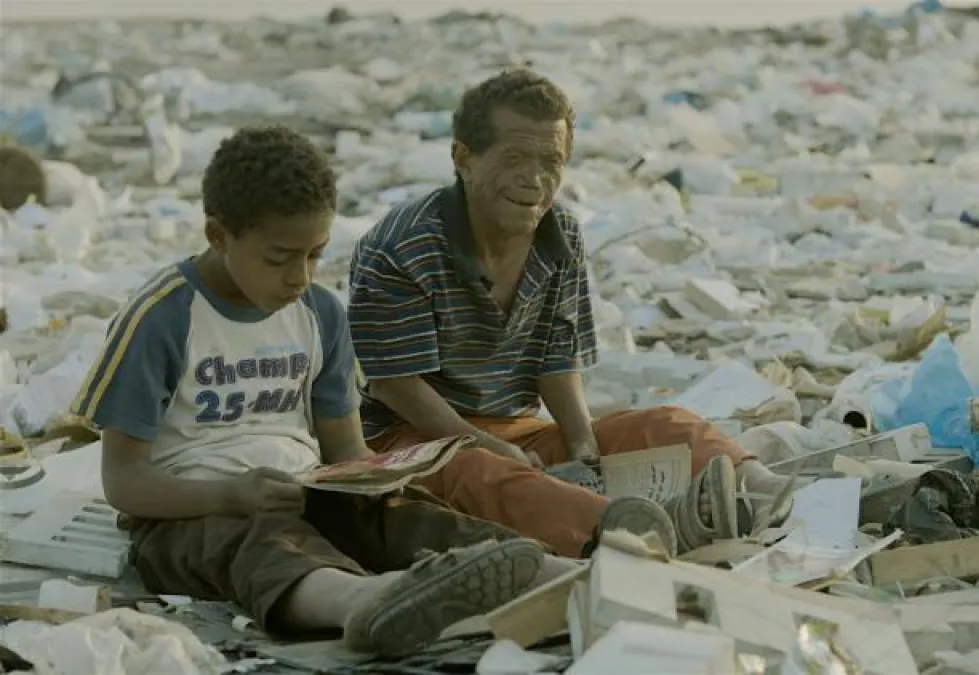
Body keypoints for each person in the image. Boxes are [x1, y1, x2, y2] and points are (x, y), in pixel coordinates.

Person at [67, 125, 632, 659]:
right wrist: (232, 495)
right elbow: (125, 483)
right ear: (219, 236)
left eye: (315, 254)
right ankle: (364, 601)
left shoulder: (319, 313)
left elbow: (346, 450)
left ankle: (557, 578)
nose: (300, 277)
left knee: (407, 516)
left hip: (303, 488)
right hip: (193, 513)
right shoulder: (164, 317)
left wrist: (380, 477)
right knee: (259, 546)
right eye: (279, 258)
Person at [347, 69, 799, 558]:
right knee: (483, 475)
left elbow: (557, 360)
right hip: (416, 443)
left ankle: (762, 493)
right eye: (514, 159)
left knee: (665, 424)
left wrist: (583, 446)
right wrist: (486, 445)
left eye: (551, 162)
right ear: (463, 158)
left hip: (520, 433)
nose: (534, 179)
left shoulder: (559, 233)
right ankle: (637, 535)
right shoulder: (402, 245)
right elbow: (396, 384)